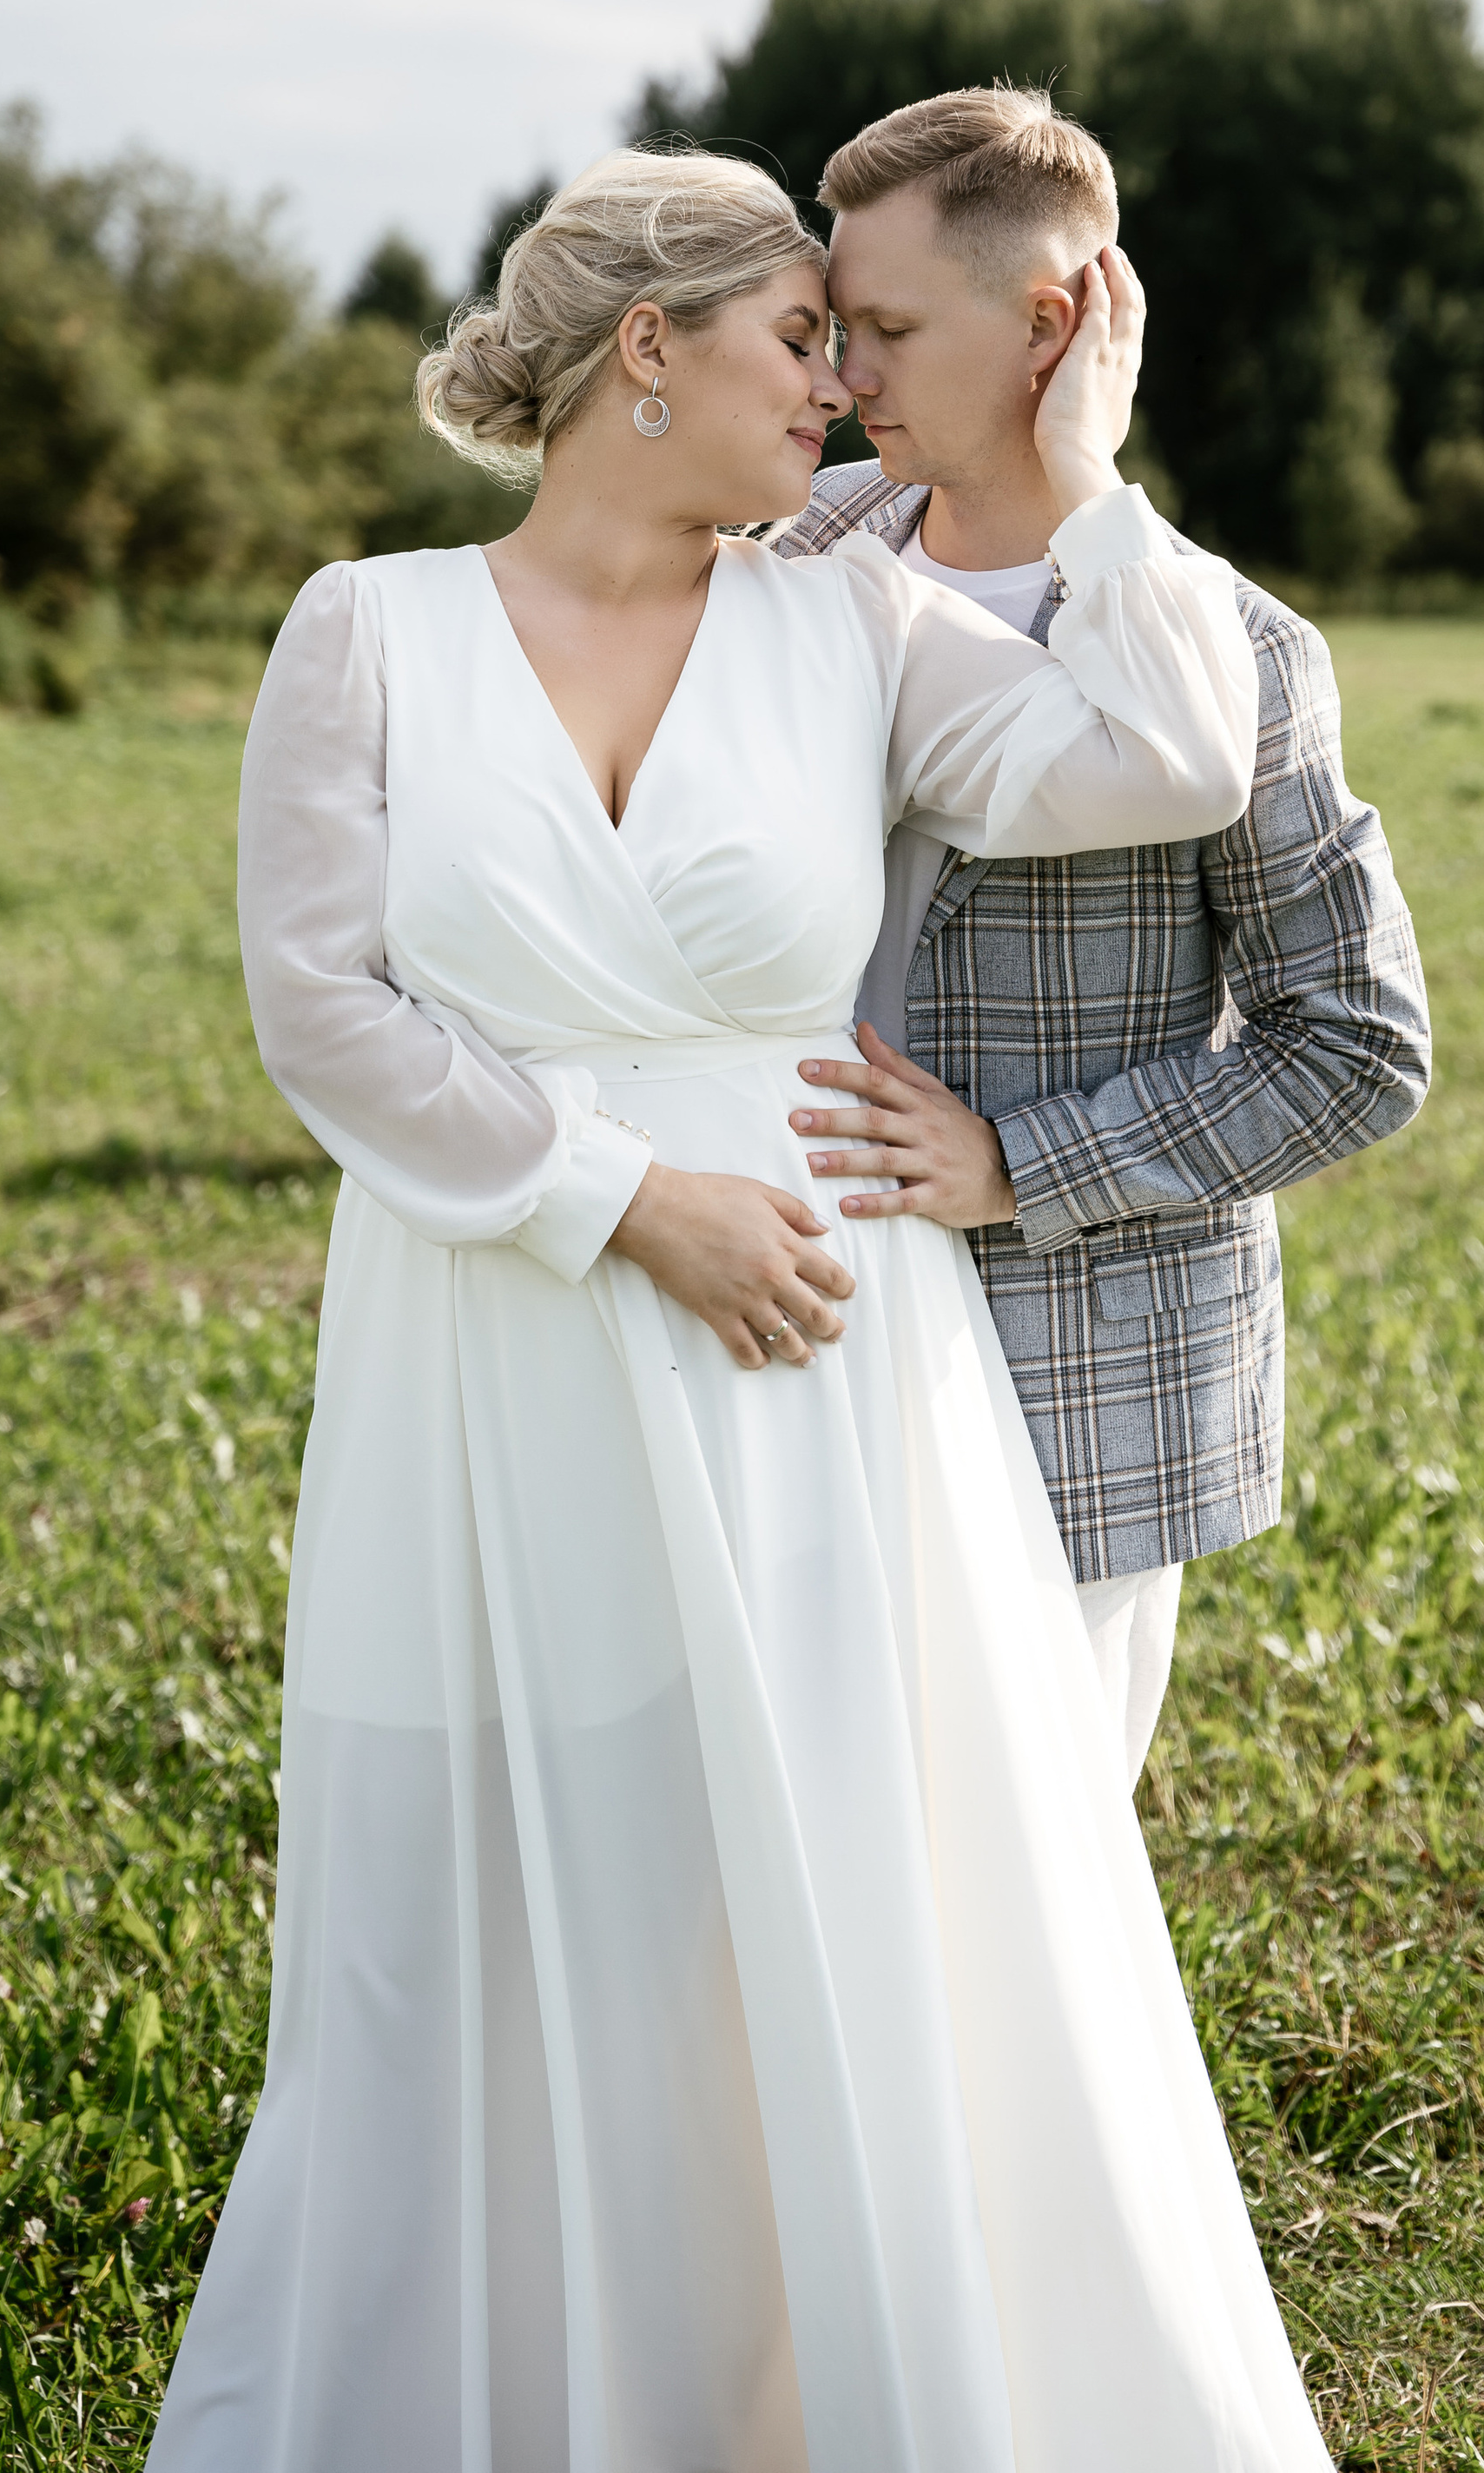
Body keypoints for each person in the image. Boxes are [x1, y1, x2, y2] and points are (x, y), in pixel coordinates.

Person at [148, 149, 1334, 2473]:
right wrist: (621, 1202)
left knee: (824, 1895)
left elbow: (1171, 759)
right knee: (513, 1901)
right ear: (647, 347)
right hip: (497, 1344)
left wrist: (1091, 471)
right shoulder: (364, 631)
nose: (842, 389)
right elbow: (324, 1011)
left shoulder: (847, 621)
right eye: (804, 337)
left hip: (823, 1367)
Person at [776, 89, 1429, 1789]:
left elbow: (1355, 1048)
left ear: (1050, 326)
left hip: (1075, 1384)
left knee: (1018, 1877)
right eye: (836, 328)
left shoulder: (1244, 652)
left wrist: (1017, 1167)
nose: (844, 377)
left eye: (890, 331)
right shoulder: (789, 556)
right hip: (790, 1329)